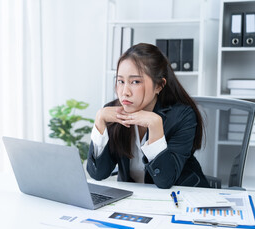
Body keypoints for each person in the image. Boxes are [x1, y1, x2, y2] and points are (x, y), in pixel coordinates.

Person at [86, 43, 209, 189]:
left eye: (135, 82)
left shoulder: (182, 116)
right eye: (121, 81)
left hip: (181, 198)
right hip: (135, 200)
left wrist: (156, 126)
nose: (125, 91)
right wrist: (99, 121)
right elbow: (97, 173)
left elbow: (165, 181)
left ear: (159, 85)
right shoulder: (112, 112)